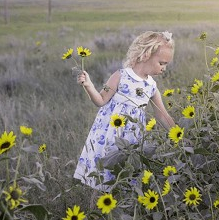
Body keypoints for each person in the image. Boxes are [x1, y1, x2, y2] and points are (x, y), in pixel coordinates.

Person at [73, 31, 176, 192]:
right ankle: (98, 202)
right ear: (146, 55)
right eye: (162, 63)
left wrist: (177, 134)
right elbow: (100, 100)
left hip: (132, 139)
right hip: (108, 135)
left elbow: (161, 114)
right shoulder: (120, 76)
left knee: (127, 172)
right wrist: (89, 86)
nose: (164, 68)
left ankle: (124, 201)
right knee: (105, 170)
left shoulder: (151, 86)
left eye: (166, 65)